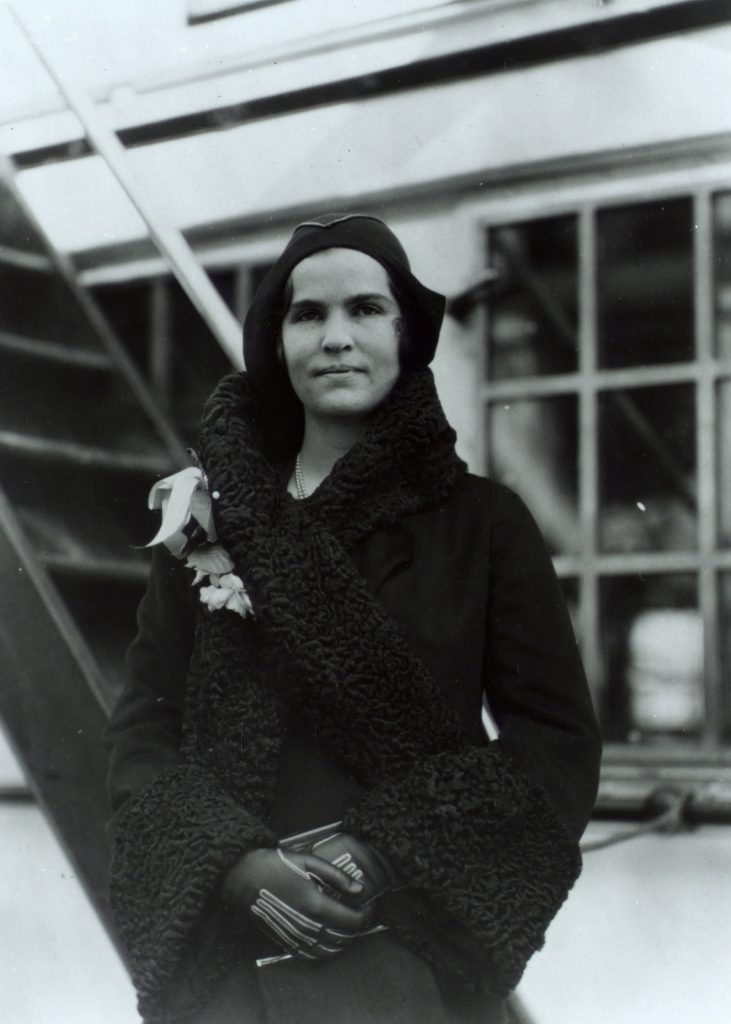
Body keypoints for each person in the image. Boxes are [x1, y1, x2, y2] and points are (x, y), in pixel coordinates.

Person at [104, 213, 602, 1024]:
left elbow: (555, 744)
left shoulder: (482, 524)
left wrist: (385, 851)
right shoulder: (206, 521)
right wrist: (231, 868)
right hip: (237, 957)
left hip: (411, 947)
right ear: (276, 343)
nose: (336, 337)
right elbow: (140, 739)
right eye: (309, 314)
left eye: (365, 310)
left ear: (406, 336)